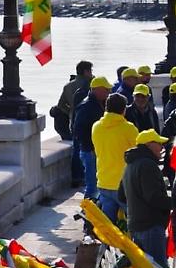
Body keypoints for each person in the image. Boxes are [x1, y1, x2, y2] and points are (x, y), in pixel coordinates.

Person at [116, 129, 174, 268]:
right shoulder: (148, 165)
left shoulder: (130, 165)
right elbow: (154, 197)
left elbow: (121, 196)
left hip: (136, 225)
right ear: (149, 145)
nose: (162, 147)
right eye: (158, 144)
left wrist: (135, 207)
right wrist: (175, 202)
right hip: (151, 226)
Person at [90, 93, 139, 225]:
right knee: (134, 223)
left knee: (108, 227)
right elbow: (139, 152)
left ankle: (105, 240)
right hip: (124, 185)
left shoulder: (96, 127)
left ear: (106, 108)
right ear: (124, 109)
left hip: (104, 182)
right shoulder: (128, 128)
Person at [72, 76, 112, 200]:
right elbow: (78, 130)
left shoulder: (99, 104)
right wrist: (90, 147)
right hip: (89, 151)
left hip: (96, 149)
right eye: (106, 90)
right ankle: (88, 208)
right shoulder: (86, 106)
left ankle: (92, 207)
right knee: (92, 185)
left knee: (97, 183)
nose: (108, 92)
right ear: (97, 89)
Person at [52, 60, 92, 140]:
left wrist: (71, 112)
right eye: (90, 71)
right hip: (90, 122)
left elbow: (60, 105)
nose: (91, 73)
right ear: (86, 72)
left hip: (74, 122)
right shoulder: (92, 84)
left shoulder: (68, 86)